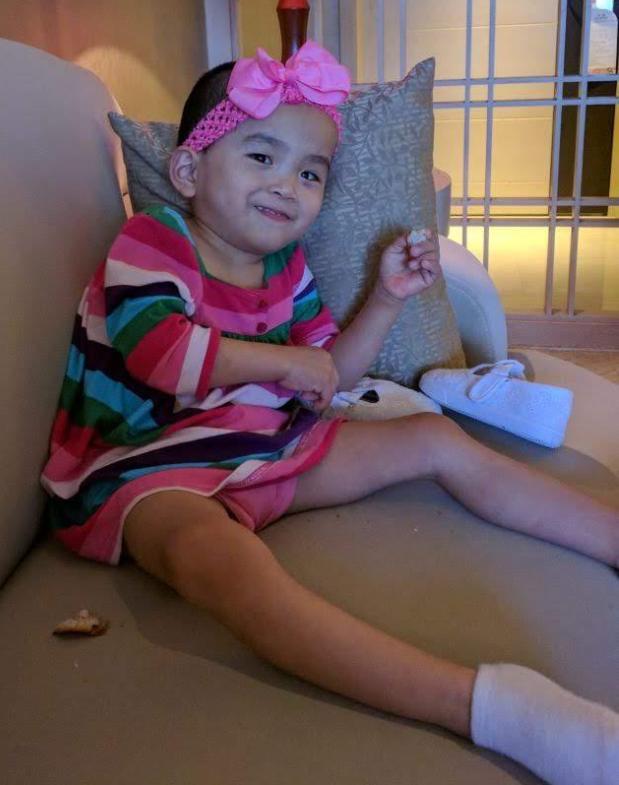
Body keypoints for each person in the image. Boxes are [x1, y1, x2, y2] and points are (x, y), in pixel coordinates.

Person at [41, 41, 618, 784]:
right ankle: (487, 705)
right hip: (144, 469)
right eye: (261, 156)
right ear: (188, 170)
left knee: (433, 436)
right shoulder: (154, 240)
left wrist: (385, 299)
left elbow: (327, 380)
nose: (288, 185)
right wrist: (284, 364)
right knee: (211, 558)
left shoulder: (287, 269)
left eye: (310, 173)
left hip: (260, 446)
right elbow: (159, 354)